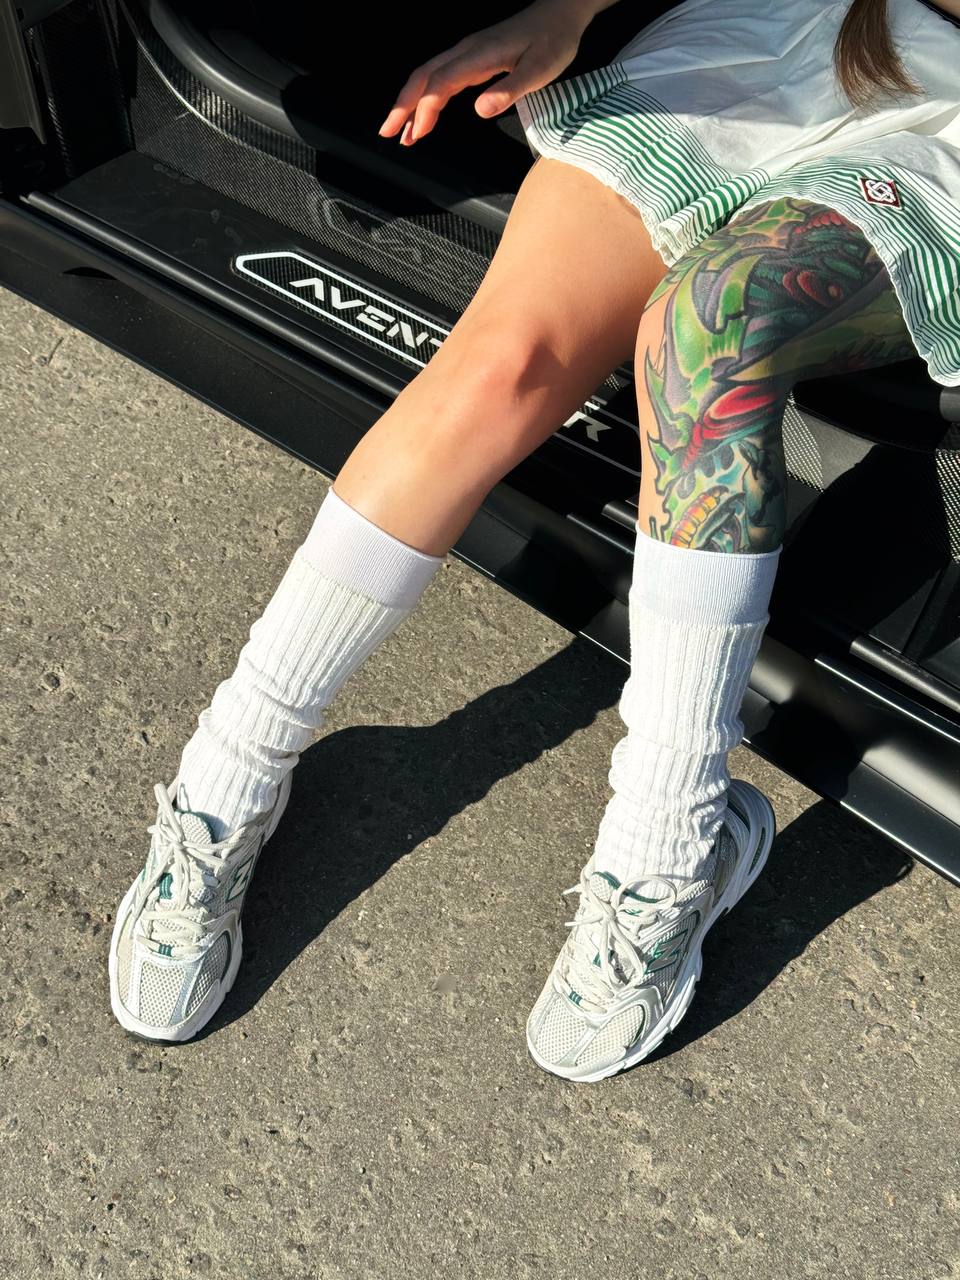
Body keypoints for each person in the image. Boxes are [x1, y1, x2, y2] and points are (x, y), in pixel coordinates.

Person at [107, 0, 960, 1078]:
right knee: (503, 361)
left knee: (711, 327)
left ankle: (668, 844)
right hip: (796, 28)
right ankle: (230, 774)